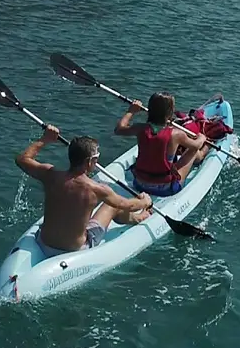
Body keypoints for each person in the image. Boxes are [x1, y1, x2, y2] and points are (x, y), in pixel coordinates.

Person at [15, 126, 153, 256]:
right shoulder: (97, 189)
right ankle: (140, 218)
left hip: (44, 243)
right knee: (111, 206)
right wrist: (144, 201)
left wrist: (44, 139)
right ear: (89, 162)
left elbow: (22, 160)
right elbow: (128, 205)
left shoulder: (50, 175)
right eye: (96, 158)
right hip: (74, 249)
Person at [115, 92, 210, 196]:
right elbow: (196, 145)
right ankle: (201, 155)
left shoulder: (140, 128)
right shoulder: (176, 134)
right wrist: (202, 138)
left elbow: (118, 130)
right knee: (193, 150)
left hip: (139, 184)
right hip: (165, 188)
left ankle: (198, 155)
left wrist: (131, 111)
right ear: (170, 112)